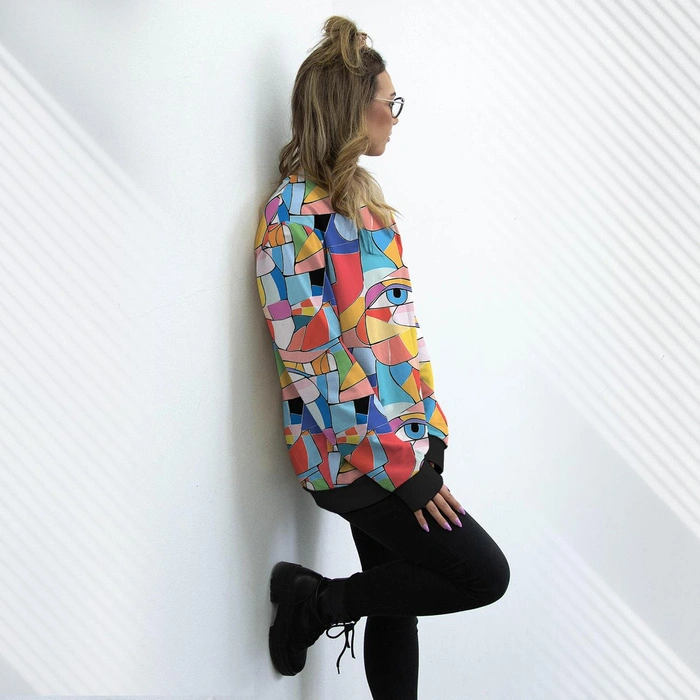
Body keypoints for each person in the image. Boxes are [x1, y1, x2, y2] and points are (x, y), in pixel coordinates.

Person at [254, 15, 510, 699]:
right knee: (483, 574)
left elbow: (402, 335)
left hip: (402, 449)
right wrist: (403, 467)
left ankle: (316, 602)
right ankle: (317, 602)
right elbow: (318, 368)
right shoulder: (292, 220)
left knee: (398, 600)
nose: (394, 116)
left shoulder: (368, 210)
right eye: (387, 101)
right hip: (348, 458)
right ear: (350, 108)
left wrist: (431, 432)